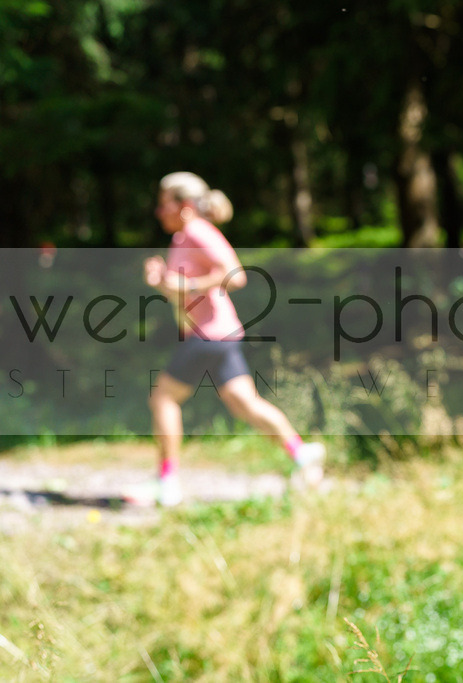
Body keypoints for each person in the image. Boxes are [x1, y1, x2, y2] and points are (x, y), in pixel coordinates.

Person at [129, 171, 325, 507]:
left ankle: (167, 482)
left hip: (208, 335)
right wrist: (161, 281)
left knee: (163, 399)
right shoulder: (183, 238)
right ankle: (300, 452)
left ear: (185, 205)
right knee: (243, 403)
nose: (158, 212)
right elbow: (182, 291)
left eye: (164, 204)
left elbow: (235, 275)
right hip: (219, 333)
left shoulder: (198, 232)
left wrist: (187, 285)